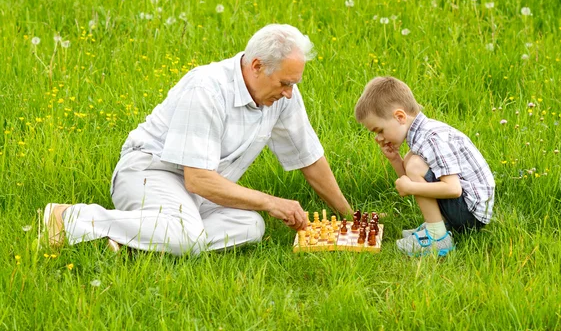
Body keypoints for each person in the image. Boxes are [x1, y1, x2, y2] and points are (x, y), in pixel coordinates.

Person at [44, 24, 352, 255]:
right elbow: (198, 180)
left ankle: (129, 242)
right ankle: (70, 218)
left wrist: (349, 217)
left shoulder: (284, 96)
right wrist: (270, 201)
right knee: (188, 234)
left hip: (202, 191)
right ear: (257, 66)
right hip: (152, 174)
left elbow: (308, 157)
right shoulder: (206, 89)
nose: (289, 92)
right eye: (285, 83)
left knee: (251, 226)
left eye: (293, 84)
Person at [354, 76, 495, 256]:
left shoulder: (432, 139)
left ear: (399, 117)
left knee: (414, 164)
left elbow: (453, 189)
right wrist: (395, 160)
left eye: (379, 130)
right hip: (466, 207)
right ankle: (438, 225)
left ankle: (437, 237)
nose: (378, 138)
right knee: (411, 161)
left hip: (470, 213)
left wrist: (411, 187)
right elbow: (415, 180)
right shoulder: (422, 135)